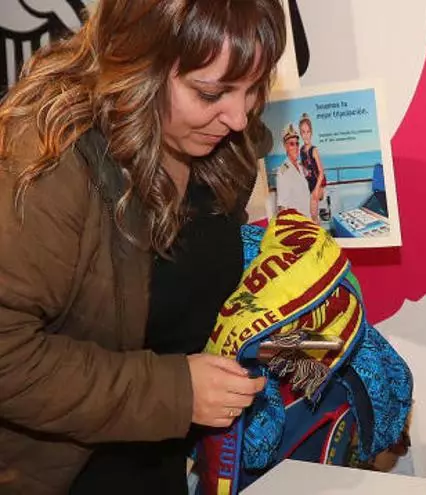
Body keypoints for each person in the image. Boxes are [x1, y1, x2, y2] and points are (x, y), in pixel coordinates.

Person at [0, 0, 287, 493]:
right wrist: (176, 392)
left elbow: (180, 292)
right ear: (137, 64)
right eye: (211, 92)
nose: (239, 117)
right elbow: (7, 356)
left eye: (254, 87)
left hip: (160, 462)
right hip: (57, 475)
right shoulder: (49, 160)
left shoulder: (221, 142)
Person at [275, 123, 313, 220]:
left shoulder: (301, 166)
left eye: (297, 143)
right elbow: (282, 206)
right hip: (297, 223)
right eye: (291, 144)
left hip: (308, 219)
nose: (296, 147)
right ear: (285, 146)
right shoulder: (283, 172)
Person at [298, 112, 326, 221]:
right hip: (309, 185)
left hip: (318, 185)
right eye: (303, 132)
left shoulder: (314, 150)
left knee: (313, 215)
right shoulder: (301, 150)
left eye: (308, 132)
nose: (306, 135)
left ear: (311, 133)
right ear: (300, 133)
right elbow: (305, 168)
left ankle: (317, 230)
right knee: (308, 214)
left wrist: (316, 190)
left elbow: (321, 172)